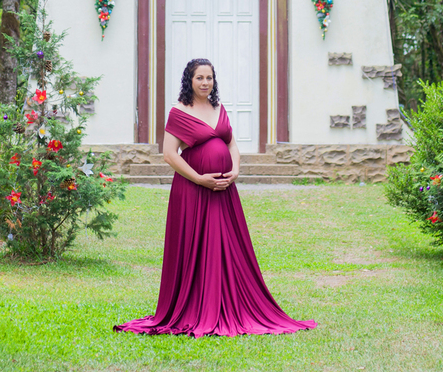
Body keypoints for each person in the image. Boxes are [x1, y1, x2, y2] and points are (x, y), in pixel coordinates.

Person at [114, 58, 317, 337]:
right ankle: (199, 304)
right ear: (190, 80)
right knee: (198, 244)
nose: (205, 83)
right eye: (199, 78)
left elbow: (231, 144)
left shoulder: (218, 108)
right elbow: (169, 154)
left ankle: (229, 299)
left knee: (228, 245)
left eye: (209, 78)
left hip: (224, 191)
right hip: (193, 190)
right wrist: (199, 178)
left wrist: (234, 170)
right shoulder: (178, 111)